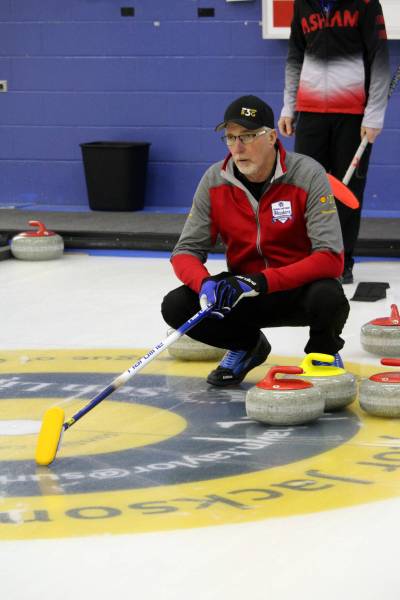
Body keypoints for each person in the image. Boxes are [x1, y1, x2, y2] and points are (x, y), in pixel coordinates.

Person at [161, 95, 350, 387]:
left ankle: (322, 354)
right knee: (176, 305)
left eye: (248, 136)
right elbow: (185, 251)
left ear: (272, 137)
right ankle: (247, 345)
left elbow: (331, 258)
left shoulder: (307, 173)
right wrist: (204, 284)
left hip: (297, 289)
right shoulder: (214, 180)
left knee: (329, 296)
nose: (237, 147)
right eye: (231, 137)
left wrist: (262, 281)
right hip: (243, 292)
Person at [278, 0, 390, 284]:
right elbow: (295, 55)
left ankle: (342, 261)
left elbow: (379, 57)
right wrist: (289, 107)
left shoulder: (365, 4)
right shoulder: (302, 4)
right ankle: (310, 258)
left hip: (353, 115)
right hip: (310, 113)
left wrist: (375, 114)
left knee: (347, 192)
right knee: (306, 189)